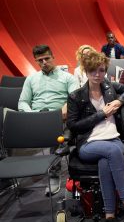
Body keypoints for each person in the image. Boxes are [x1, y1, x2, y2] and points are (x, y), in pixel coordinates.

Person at [67, 50, 124, 222]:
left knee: (105, 163)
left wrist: (119, 102)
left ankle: (109, 215)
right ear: (85, 70)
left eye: (101, 70)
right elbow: (74, 126)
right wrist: (102, 114)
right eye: (93, 71)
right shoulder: (76, 96)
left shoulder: (108, 86)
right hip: (88, 143)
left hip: (113, 138)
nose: (97, 75)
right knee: (113, 153)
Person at [18, 44, 79, 196]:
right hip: (36, 118)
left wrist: (66, 108)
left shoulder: (68, 78)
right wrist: (31, 113)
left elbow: (75, 99)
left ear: (53, 57)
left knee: (57, 138)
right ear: (36, 62)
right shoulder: (31, 79)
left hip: (59, 118)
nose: (44, 62)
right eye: (40, 60)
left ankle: (54, 174)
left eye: (46, 58)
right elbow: (22, 102)